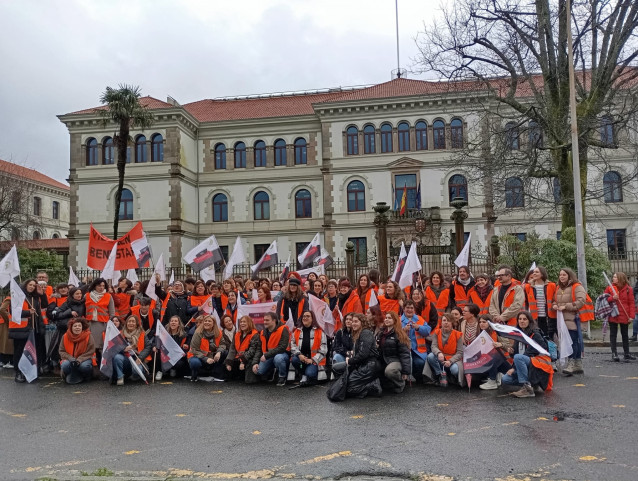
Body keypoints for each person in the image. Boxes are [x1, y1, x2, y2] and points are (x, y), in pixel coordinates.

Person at [501, 311, 552, 397]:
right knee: (505, 379)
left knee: (518, 357)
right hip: (526, 363)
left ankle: (527, 388)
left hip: (537, 365)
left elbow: (540, 348)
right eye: (520, 319)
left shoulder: (535, 334)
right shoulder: (519, 334)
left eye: (525, 319)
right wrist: (511, 352)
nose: (522, 321)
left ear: (529, 321)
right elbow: (516, 355)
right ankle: (533, 384)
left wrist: (514, 368)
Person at [6, 279, 45, 383]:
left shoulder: (35, 297)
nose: (32, 287)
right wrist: (28, 312)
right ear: (25, 285)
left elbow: (42, 310)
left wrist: (42, 295)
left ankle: (31, 372)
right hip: (21, 329)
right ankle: (18, 372)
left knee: (32, 351)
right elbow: (13, 312)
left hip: (34, 328)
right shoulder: (18, 296)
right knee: (19, 351)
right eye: (30, 284)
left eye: (33, 285)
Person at [552, 267, 586, 374]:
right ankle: (577, 363)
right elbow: (554, 300)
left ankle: (572, 363)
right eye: (560, 275)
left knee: (573, 341)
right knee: (569, 341)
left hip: (573, 319)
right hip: (562, 320)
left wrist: (566, 306)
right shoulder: (558, 288)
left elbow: (581, 301)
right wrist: (554, 305)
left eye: (564, 275)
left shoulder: (576, 286)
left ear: (569, 276)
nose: (561, 277)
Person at [341, 313, 382, 398]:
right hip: (363, 364)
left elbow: (364, 354)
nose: (353, 323)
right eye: (353, 321)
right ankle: (370, 382)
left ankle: (373, 386)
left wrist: (350, 361)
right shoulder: (358, 333)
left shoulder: (365, 333)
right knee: (344, 384)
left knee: (349, 388)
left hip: (370, 365)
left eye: (356, 321)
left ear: (362, 322)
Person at [425, 313, 464, 387]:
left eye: (448, 321)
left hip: (453, 359)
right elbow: (433, 346)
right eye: (444, 320)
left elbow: (460, 352)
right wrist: (439, 353)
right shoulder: (437, 332)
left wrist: (450, 361)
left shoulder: (458, 335)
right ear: (441, 322)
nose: (446, 322)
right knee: (430, 356)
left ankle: (452, 378)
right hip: (441, 357)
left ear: (452, 323)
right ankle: (440, 375)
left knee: (455, 370)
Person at [604, 272, 636, 362]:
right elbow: (604, 299)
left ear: (620, 278)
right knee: (613, 334)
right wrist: (612, 298)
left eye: (615, 277)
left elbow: (631, 303)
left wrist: (631, 316)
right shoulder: (609, 288)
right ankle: (614, 353)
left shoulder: (628, 289)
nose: (613, 278)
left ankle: (627, 353)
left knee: (625, 335)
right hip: (613, 314)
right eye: (613, 277)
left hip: (624, 315)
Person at [290, 311, 328, 386]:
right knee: (294, 359)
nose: (305, 318)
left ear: (312, 319)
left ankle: (310, 374)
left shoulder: (320, 332)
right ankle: (303, 374)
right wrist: (299, 354)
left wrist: (312, 360)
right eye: (304, 316)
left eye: (308, 316)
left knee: (310, 373)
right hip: (301, 359)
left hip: (314, 360)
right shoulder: (297, 331)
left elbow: (324, 350)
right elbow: (292, 345)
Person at [377, 311, 411, 393]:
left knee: (390, 371)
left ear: (395, 320)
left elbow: (404, 354)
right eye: (386, 318)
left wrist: (405, 372)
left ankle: (401, 383)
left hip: (396, 360)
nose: (387, 319)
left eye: (389, 318)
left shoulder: (399, 334)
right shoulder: (381, 333)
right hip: (384, 359)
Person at [113, 315, 152, 385]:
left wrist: (140, 357)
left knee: (136, 372)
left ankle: (132, 375)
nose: (131, 323)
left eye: (133, 322)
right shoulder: (120, 334)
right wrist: (123, 349)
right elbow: (115, 347)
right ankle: (120, 377)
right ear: (126, 323)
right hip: (125, 358)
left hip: (137, 358)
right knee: (117, 357)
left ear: (136, 324)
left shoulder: (142, 334)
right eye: (129, 321)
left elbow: (148, 346)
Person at [188, 314, 228, 382]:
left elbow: (223, 344)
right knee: (195, 363)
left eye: (209, 321)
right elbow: (194, 349)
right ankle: (195, 374)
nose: (207, 322)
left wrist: (219, 352)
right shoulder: (198, 333)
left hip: (212, 356)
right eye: (205, 321)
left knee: (225, 353)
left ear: (213, 323)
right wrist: (205, 358)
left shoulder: (218, 332)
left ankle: (217, 375)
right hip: (197, 356)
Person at [477, 314, 513, 390]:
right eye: (480, 322)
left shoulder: (496, 332)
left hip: (503, 358)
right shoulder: (481, 333)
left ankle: (492, 381)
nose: (481, 324)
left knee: (491, 354)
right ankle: (496, 375)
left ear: (489, 323)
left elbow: (509, 345)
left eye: (484, 322)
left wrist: (500, 344)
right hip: (496, 361)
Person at [255, 311, 290, 386]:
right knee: (259, 371)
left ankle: (282, 376)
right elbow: (259, 349)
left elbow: (282, 347)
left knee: (278, 359)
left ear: (274, 320)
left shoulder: (283, 329)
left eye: (267, 320)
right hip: (269, 356)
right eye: (264, 320)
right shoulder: (262, 332)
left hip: (282, 354)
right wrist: (255, 363)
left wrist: (266, 355)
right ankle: (272, 371)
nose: (265, 322)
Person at [400, 300, 431, 380]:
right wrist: (403, 330)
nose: (409, 310)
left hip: (418, 351)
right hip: (404, 350)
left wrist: (418, 327)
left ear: (414, 310)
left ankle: (418, 378)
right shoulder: (398, 320)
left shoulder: (419, 319)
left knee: (420, 363)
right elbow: (394, 333)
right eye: (407, 308)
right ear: (403, 309)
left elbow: (428, 331)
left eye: (411, 308)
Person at [225, 315, 261, 383]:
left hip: (249, 358)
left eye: (244, 322)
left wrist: (242, 361)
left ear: (249, 323)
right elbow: (232, 349)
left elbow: (252, 351)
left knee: (249, 381)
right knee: (227, 370)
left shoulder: (255, 334)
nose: (242, 323)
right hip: (239, 357)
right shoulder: (237, 334)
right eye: (241, 322)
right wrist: (228, 362)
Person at [523, 266, 557, 338]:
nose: (534, 274)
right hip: (534, 317)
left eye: (537, 272)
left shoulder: (552, 285)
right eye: (534, 272)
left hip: (548, 317)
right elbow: (525, 302)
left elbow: (556, 299)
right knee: (536, 338)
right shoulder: (528, 287)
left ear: (542, 274)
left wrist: (555, 305)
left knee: (548, 338)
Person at [59, 317, 95, 384]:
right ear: (71, 327)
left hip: (84, 359)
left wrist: (79, 360)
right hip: (69, 359)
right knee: (65, 365)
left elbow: (91, 351)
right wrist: (70, 358)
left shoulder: (88, 336)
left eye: (79, 326)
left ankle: (86, 376)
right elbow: (61, 351)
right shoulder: (65, 336)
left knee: (84, 366)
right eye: (75, 326)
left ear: (82, 327)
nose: (77, 327)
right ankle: (69, 376)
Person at [84, 278, 115, 353]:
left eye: (103, 286)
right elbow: (83, 310)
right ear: (94, 286)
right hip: (90, 324)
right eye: (99, 286)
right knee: (90, 346)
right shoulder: (87, 296)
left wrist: (110, 324)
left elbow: (112, 312)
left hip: (103, 324)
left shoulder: (108, 296)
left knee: (102, 346)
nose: (101, 288)